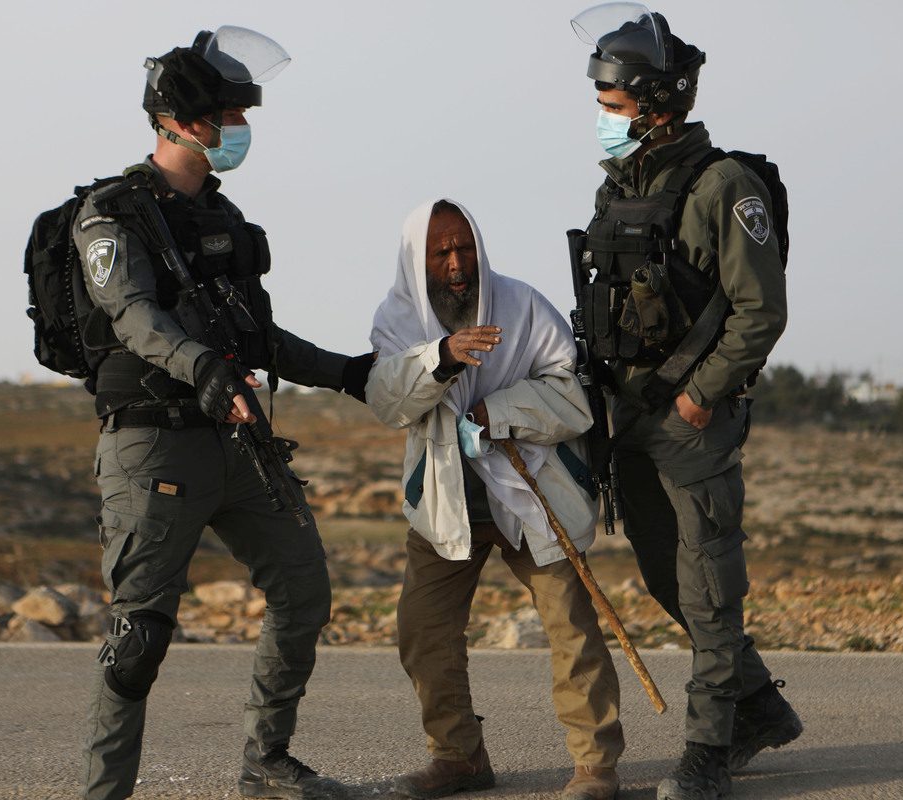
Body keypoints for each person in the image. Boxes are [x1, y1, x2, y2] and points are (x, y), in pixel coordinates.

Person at [73, 26, 372, 800]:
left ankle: (265, 764)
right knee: (139, 635)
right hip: (154, 445)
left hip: (237, 440)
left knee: (303, 590)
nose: (240, 129)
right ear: (181, 121)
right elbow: (135, 316)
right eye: (229, 115)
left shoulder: (225, 219)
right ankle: (102, 793)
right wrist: (201, 368)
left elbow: (259, 336)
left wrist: (347, 373)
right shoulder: (111, 215)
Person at [569, 5, 803, 800]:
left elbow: (759, 311)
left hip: (692, 423)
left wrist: (702, 398)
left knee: (708, 586)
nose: (604, 120)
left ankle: (709, 748)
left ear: (657, 105)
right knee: (668, 579)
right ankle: (761, 706)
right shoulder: (618, 191)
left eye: (613, 106)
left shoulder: (724, 186)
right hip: (628, 418)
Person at [366, 200, 625, 800]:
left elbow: (572, 395)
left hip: (529, 495)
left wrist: (498, 413)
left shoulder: (523, 305)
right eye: (442, 252)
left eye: (465, 247)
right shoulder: (397, 318)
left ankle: (595, 767)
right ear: (417, 259)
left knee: (571, 627)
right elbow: (386, 399)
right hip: (444, 502)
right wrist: (442, 357)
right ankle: (458, 758)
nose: (458, 263)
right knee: (423, 631)